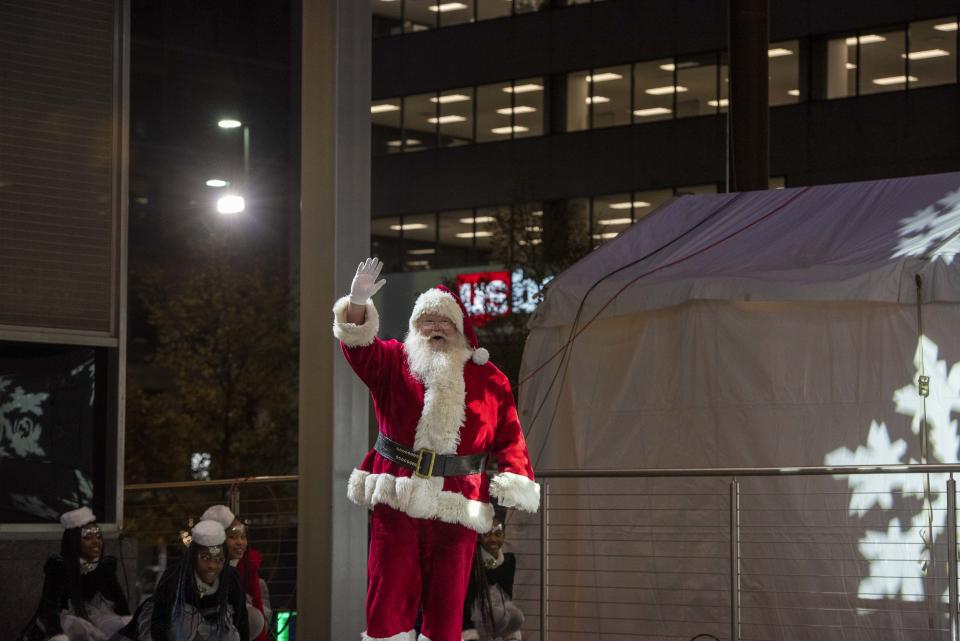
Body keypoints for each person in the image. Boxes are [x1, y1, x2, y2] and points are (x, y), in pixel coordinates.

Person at [333, 257, 540, 641]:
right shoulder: (395, 361)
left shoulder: (488, 377)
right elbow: (358, 346)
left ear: (460, 328)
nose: (434, 328)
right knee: (387, 604)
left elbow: (510, 434)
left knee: (447, 612)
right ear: (414, 327)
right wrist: (357, 301)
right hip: (397, 497)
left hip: (458, 505)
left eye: (443, 321)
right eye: (426, 321)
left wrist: (514, 479)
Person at [118, 520, 248, 641]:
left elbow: (241, 618)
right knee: (187, 618)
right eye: (206, 558)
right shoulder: (175, 576)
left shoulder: (230, 577)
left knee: (250, 619)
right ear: (193, 557)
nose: (212, 566)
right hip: (173, 627)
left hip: (210, 626)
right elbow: (159, 623)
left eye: (219, 559)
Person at [19, 506, 132, 641]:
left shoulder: (102, 566)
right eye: (88, 537)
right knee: (80, 629)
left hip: (85, 614)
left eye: (98, 536)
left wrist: (128, 623)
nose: (96, 541)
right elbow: (49, 606)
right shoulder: (60, 566)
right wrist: (56, 634)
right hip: (59, 621)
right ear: (74, 541)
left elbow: (119, 601)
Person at [201, 505, 270, 641]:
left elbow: (257, 602)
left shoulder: (246, 565)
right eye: (233, 537)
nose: (240, 542)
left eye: (243, 537)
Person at [462, 514, 523, 641]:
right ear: (479, 536)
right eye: (487, 534)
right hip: (472, 623)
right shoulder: (472, 563)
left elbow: (506, 598)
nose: (493, 539)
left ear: (504, 535)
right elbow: (468, 600)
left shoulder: (508, 562)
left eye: (498, 534)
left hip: (498, 621)